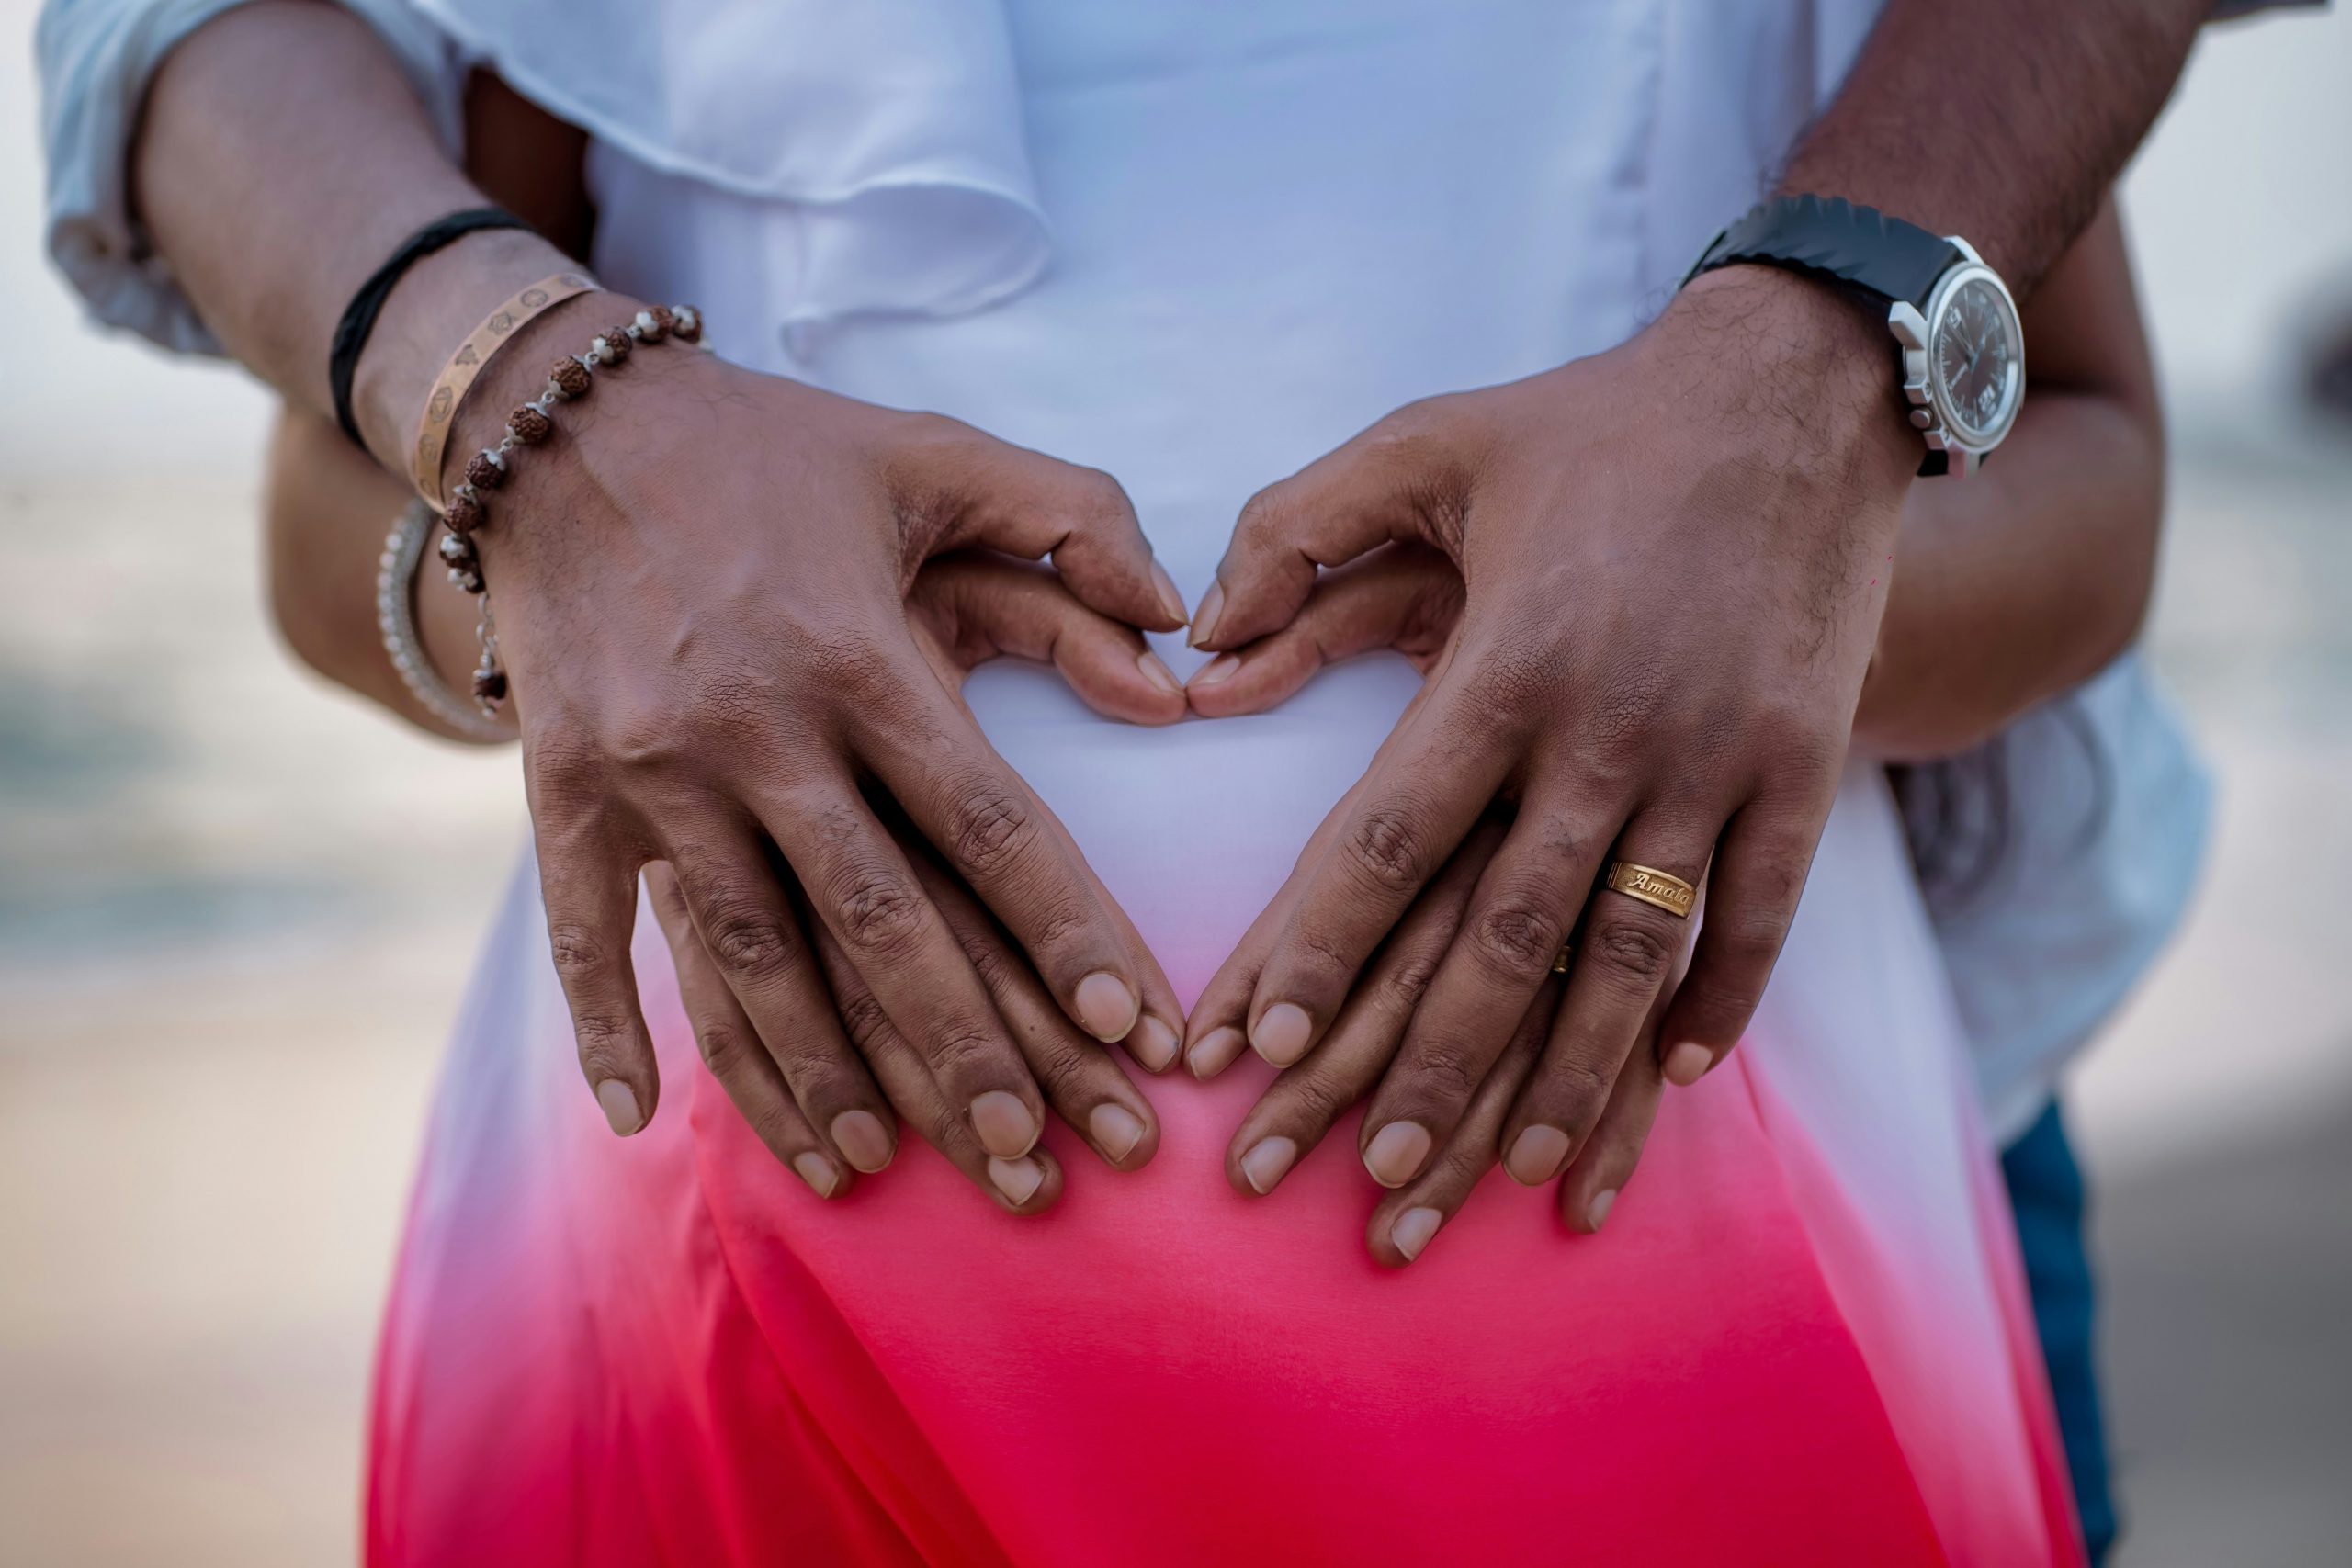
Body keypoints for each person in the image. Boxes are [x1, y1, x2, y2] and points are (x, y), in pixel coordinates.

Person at [37, 0, 2236, 1562]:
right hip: (740, 1349)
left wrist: (1780, 580)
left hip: (1709, 1326)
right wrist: (585, 590)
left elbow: (2091, 472)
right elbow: (329, 544)